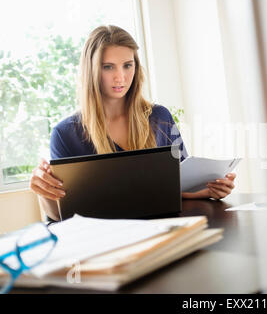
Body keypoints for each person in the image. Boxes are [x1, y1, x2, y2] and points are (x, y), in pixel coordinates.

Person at [29, 25, 236, 221]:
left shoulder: (159, 117)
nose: (120, 77)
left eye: (128, 65)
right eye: (108, 67)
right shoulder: (66, 134)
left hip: (165, 230)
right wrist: (43, 192)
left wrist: (207, 190)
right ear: (91, 71)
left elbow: (178, 186)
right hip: (108, 241)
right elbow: (60, 216)